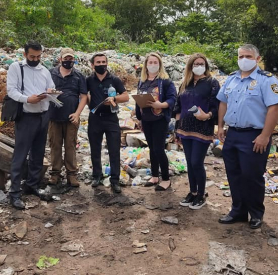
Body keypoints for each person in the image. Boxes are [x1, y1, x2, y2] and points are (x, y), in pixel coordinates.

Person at [216, 44, 278, 229]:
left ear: (257, 59)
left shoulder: (267, 80)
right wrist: (220, 126)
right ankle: (238, 211)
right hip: (233, 134)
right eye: (241, 56)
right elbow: (222, 102)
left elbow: (274, 108)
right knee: (234, 175)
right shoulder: (231, 79)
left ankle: (255, 213)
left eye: (248, 56)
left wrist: (265, 135)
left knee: (251, 176)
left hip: (254, 136)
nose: (244, 59)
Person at [6, 41, 55, 209]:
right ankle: (14, 193)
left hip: (43, 116)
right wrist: (28, 99)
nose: (35, 59)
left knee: (38, 153)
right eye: (32, 56)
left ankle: (32, 185)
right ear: (25, 54)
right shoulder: (16, 68)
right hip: (26, 116)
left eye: (39, 56)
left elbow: (52, 87)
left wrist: (50, 93)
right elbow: (11, 91)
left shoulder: (45, 70)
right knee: (20, 154)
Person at [173, 53, 220, 209]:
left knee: (196, 162)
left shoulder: (212, 83)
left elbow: (216, 106)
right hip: (185, 129)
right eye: (196, 64)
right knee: (189, 163)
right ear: (190, 66)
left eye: (202, 63)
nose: (199, 66)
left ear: (206, 66)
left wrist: (207, 116)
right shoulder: (185, 84)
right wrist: (177, 128)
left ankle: (201, 194)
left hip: (202, 127)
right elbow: (178, 107)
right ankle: (192, 192)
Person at [86, 53, 129, 194]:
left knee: (114, 149)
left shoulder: (114, 79)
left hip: (111, 118)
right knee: (95, 148)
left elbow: (126, 96)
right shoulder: (88, 80)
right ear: (92, 65)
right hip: (95, 118)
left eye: (103, 62)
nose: (101, 64)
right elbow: (83, 95)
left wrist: (114, 98)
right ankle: (97, 176)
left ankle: (115, 180)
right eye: (98, 62)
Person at [135, 52, 177, 191]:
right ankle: (154, 176)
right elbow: (138, 100)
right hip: (146, 119)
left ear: (160, 65)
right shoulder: (142, 81)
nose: (152, 65)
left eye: (155, 62)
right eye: (150, 62)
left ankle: (165, 179)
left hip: (160, 119)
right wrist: (139, 118)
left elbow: (172, 99)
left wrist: (161, 105)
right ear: (146, 65)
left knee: (159, 149)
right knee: (151, 148)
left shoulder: (165, 81)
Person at [48, 48, 88, 187]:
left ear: (74, 60)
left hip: (72, 117)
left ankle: (72, 174)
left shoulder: (78, 75)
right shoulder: (51, 73)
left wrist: (77, 114)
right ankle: (55, 174)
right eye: (66, 59)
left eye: (71, 59)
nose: (68, 61)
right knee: (55, 145)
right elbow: (43, 90)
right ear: (60, 59)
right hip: (54, 116)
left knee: (70, 145)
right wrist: (49, 92)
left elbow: (83, 96)